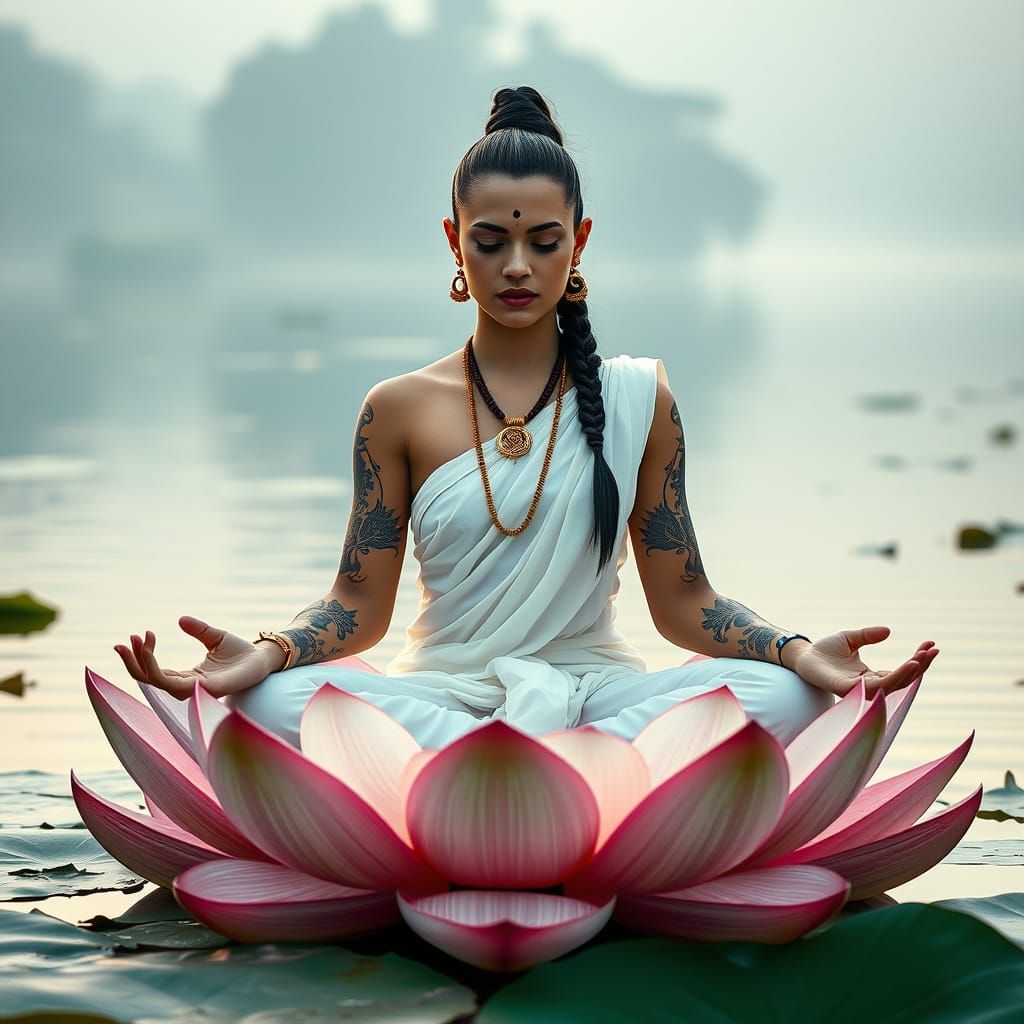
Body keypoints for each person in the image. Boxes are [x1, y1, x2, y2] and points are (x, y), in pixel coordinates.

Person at [114, 85, 939, 751]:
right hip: (442, 703)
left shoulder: (637, 400)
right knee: (274, 701)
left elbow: (684, 596)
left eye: (544, 242)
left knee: (779, 693)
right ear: (454, 242)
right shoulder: (395, 410)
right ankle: (549, 777)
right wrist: (266, 653)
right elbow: (357, 605)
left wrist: (797, 649)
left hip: (598, 696)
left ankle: (533, 775)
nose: (517, 267)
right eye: (490, 241)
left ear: (580, 241)